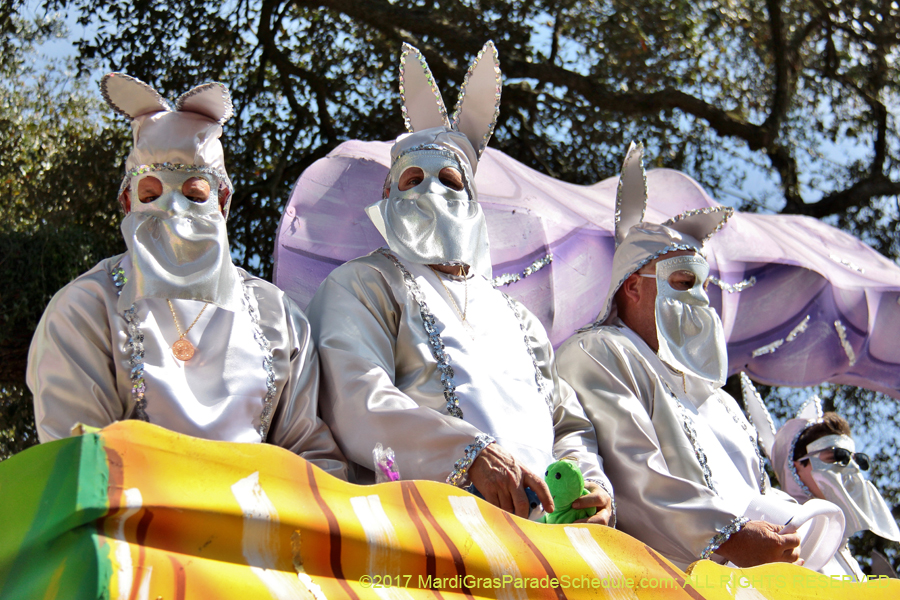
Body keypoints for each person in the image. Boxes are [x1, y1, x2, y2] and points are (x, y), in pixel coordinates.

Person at [306, 42, 613, 522]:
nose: (431, 191)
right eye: (412, 180)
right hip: (429, 527)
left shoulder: (520, 321)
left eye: (449, 181)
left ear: (471, 201)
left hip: (553, 540)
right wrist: (467, 455)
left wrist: (589, 483)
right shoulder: (363, 283)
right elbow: (354, 396)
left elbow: (567, 423)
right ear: (388, 196)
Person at [27, 73, 347, 479]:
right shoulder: (86, 306)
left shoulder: (278, 316)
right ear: (128, 201)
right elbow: (74, 458)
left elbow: (314, 458)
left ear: (223, 200)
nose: (174, 210)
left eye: (194, 195)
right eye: (151, 194)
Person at [557, 143, 844, 569]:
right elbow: (635, 474)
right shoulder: (601, 351)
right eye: (683, 280)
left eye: (704, 285)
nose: (699, 298)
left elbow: (756, 489)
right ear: (633, 287)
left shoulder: (721, 401)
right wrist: (725, 536)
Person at [767, 399, 900, 578]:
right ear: (796, 465)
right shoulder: (775, 524)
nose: (853, 468)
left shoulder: (845, 551)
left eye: (858, 460)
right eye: (837, 456)